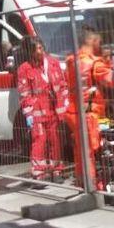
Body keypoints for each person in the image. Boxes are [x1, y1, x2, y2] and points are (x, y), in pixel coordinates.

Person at [64, 27, 113, 190]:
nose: (100, 44)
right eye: (98, 41)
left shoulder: (71, 61)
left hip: (74, 112)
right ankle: (93, 186)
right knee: (91, 152)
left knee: (80, 150)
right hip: (90, 114)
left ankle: (82, 182)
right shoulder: (94, 63)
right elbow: (112, 80)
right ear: (91, 41)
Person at [16, 36, 69, 181]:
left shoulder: (53, 63)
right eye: (37, 49)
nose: (41, 51)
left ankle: (57, 170)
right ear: (30, 52)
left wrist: (64, 106)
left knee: (55, 139)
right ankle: (38, 173)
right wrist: (29, 114)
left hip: (54, 109)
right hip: (37, 110)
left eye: (41, 47)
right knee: (39, 140)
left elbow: (62, 85)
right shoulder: (24, 69)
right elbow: (24, 93)